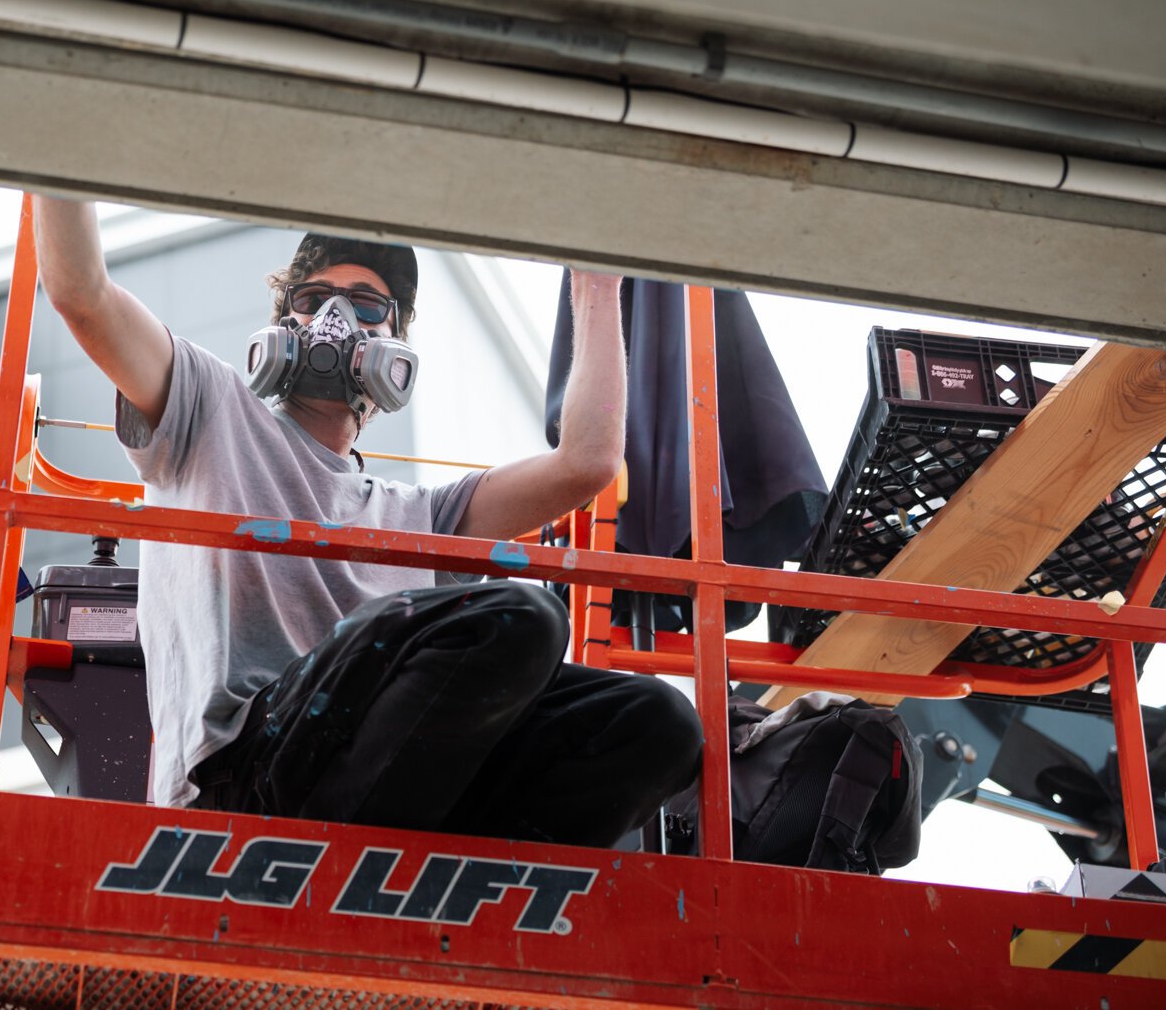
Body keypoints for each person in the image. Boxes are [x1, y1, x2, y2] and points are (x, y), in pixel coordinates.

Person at [35, 198, 703, 847]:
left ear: (395, 348)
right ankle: (344, 855)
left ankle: (455, 878)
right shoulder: (208, 413)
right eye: (312, 297)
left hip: (390, 787)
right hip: (244, 775)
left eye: (365, 305)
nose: (333, 318)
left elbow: (585, 464)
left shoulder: (420, 517)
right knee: (521, 615)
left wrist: (598, 275)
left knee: (658, 720)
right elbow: (82, 295)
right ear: (281, 324)